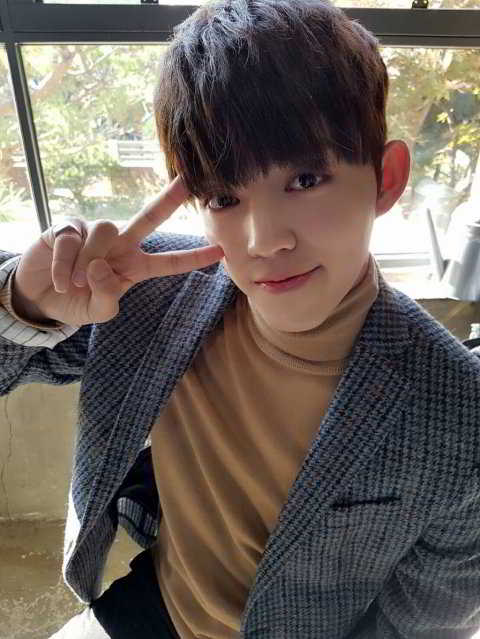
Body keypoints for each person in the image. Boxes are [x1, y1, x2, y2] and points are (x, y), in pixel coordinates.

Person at [1, 0, 480, 637]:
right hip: (153, 606)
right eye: (225, 196)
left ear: (386, 179)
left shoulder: (459, 411)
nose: (263, 241)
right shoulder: (145, 292)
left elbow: (418, 626)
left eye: (305, 180)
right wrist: (23, 303)